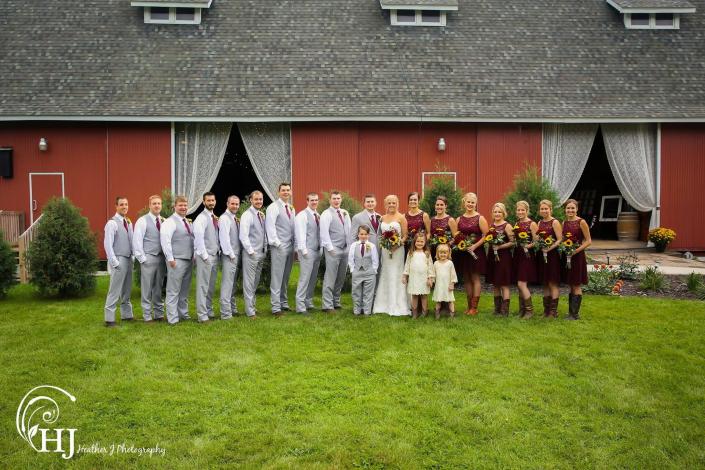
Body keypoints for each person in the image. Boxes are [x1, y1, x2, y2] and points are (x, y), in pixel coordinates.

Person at [373, 194, 410, 316]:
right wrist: (386, 245)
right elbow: (380, 234)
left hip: (398, 251)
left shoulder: (401, 218)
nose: (392, 205)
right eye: (389, 203)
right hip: (385, 250)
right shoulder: (382, 218)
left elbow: (405, 236)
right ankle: (383, 304)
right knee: (386, 272)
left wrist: (397, 245)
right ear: (385, 204)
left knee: (396, 273)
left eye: (394, 202)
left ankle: (397, 304)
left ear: (397, 204)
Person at [160, 195, 194, 325]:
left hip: (188, 259)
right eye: (180, 205)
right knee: (173, 290)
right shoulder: (170, 222)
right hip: (177, 260)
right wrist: (171, 259)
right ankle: (172, 318)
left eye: (185, 205)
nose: (183, 207)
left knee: (184, 290)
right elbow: (165, 241)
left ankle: (183, 314)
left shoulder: (186, 221)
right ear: (175, 206)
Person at [453, 192, 488, 315]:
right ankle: (469, 306)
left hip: (476, 252)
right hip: (463, 253)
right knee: (466, 278)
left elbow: (486, 236)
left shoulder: (480, 218)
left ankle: (474, 307)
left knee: (475, 278)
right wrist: (457, 244)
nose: (470, 204)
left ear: (476, 204)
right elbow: (456, 235)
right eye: (468, 202)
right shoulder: (459, 219)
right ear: (464, 203)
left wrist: (474, 246)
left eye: (473, 202)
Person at [132, 194, 166, 322]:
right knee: (146, 288)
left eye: (159, 203)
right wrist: (142, 259)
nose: (157, 205)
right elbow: (137, 240)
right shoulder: (142, 220)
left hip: (161, 259)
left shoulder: (164, 220)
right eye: (154, 203)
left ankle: (158, 314)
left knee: (158, 287)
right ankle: (147, 316)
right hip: (149, 257)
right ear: (150, 205)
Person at [266, 182, 296, 316]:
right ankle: (275, 307)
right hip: (279, 246)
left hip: (290, 246)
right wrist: (277, 243)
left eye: (288, 190)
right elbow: (270, 227)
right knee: (277, 277)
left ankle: (283, 303)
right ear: (278, 192)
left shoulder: (291, 207)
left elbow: (293, 227)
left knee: (285, 276)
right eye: (283, 190)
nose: (286, 192)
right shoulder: (273, 207)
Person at [103, 196, 134, 327]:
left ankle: (127, 315)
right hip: (119, 259)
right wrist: (114, 262)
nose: (124, 207)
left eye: (126, 204)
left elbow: (131, 241)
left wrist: (132, 257)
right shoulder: (112, 223)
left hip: (128, 259)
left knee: (126, 289)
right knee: (114, 290)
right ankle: (109, 319)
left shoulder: (128, 222)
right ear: (116, 206)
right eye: (121, 204)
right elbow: (107, 244)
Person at [320, 191, 351, 312]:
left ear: (341, 199)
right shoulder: (326, 214)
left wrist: (349, 247)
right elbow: (324, 232)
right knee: (330, 276)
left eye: (338, 198)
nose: (336, 200)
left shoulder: (345, 213)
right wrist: (330, 248)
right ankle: (327, 305)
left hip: (345, 249)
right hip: (333, 249)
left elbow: (348, 230)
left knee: (341, 276)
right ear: (330, 200)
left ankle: (336, 301)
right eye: (334, 198)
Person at [239, 191, 268, 319]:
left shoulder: (261, 214)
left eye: (260, 199)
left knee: (255, 282)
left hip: (261, 253)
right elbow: (243, 235)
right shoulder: (247, 215)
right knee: (249, 283)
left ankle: (253, 307)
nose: (259, 201)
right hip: (251, 254)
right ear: (251, 200)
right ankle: (250, 312)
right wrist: (251, 251)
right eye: (256, 199)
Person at [561, 199, 591, 320]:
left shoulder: (581, 222)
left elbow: (588, 241)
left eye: (573, 208)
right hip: (567, 256)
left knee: (576, 284)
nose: (570, 210)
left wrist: (575, 250)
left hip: (577, 256)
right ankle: (571, 313)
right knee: (571, 284)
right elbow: (563, 239)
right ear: (565, 209)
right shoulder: (564, 223)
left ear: (577, 209)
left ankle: (575, 314)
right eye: (568, 208)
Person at [193, 192, 220, 323]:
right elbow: (198, 239)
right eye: (208, 201)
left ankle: (209, 310)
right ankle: (202, 315)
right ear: (203, 202)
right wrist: (204, 256)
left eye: (212, 200)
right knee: (203, 286)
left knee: (210, 286)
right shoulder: (201, 218)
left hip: (214, 255)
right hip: (206, 256)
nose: (211, 203)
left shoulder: (213, 217)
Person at [485, 202, 515, 317]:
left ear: (503, 213)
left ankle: (504, 311)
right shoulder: (492, 225)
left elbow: (513, 242)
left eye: (499, 212)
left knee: (504, 284)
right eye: (495, 212)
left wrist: (500, 246)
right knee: (495, 283)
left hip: (504, 258)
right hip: (493, 257)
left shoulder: (507, 225)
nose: (497, 214)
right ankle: (497, 309)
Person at [294, 192, 322, 314]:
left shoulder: (318, 215)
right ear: (307, 201)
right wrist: (303, 251)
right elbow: (300, 234)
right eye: (312, 200)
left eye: (316, 200)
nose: (314, 202)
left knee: (312, 278)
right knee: (304, 278)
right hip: (307, 250)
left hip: (317, 250)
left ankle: (308, 302)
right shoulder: (302, 215)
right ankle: (300, 306)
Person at [536, 199, 563, 318]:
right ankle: (546, 311)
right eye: (542, 208)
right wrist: (539, 243)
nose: (544, 210)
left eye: (546, 208)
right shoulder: (539, 222)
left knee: (552, 283)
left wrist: (549, 248)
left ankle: (553, 311)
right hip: (542, 255)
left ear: (550, 209)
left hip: (552, 256)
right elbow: (537, 238)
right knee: (545, 283)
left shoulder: (555, 222)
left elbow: (559, 239)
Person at [512, 200, 538, 319]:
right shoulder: (516, 223)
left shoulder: (532, 224)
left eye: (523, 210)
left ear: (527, 211)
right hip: (518, 255)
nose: (520, 212)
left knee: (521, 283)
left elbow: (537, 240)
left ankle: (529, 311)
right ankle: (521, 310)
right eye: (518, 210)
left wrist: (528, 246)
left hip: (527, 256)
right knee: (519, 284)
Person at [402, 232, 435, 319]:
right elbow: (407, 265)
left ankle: (424, 312)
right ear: (414, 242)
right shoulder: (411, 252)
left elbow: (430, 266)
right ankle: (415, 313)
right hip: (414, 278)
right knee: (414, 296)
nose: (419, 243)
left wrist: (430, 278)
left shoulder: (427, 253)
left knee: (424, 296)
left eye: (421, 242)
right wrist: (405, 276)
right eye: (418, 241)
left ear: (425, 243)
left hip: (424, 278)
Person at [219, 195, 241, 320]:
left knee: (232, 284)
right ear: (227, 204)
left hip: (236, 255)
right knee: (227, 284)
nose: (235, 206)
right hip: (230, 256)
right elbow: (224, 238)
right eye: (233, 204)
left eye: (237, 204)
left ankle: (232, 308)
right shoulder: (224, 218)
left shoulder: (234, 218)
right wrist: (231, 254)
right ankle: (226, 313)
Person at [348, 225, 379, 315]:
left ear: (368, 235)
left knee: (368, 293)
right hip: (357, 271)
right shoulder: (354, 245)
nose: (363, 236)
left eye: (366, 234)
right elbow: (351, 258)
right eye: (361, 234)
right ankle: (357, 310)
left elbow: (375, 259)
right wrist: (352, 269)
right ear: (358, 234)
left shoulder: (371, 246)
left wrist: (374, 270)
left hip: (369, 272)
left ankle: (367, 311)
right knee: (356, 292)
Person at [432, 244, 458, 319]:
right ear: (438, 253)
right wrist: (432, 281)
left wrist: (452, 284)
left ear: (448, 253)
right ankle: (437, 314)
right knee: (438, 300)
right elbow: (433, 274)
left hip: (448, 286)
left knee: (450, 300)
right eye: (441, 253)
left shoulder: (450, 263)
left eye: (445, 253)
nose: (443, 254)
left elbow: (453, 275)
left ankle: (452, 315)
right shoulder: (436, 263)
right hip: (439, 286)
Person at [430, 195, 456, 260]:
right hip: (434, 250)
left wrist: (446, 245)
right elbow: (430, 236)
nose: (439, 207)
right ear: (435, 206)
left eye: (441, 205)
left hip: (445, 252)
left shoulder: (450, 220)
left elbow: (456, 237)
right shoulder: (432, 220)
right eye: (437, 205)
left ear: (445, 206)